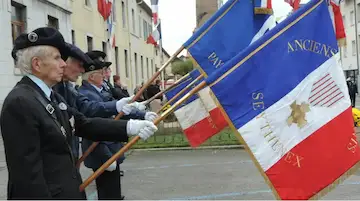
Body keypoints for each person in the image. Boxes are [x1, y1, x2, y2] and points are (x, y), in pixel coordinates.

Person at [1, 27, 158, 199]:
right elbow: (27, 176)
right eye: (57, 58)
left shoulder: (49, 95)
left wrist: (131, 126)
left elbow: (83, 124)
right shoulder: (21, 102)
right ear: (37, 64)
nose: (63, 64)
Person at [52, 43, 146, 161]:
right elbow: (88, 115)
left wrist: (130, 122)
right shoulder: (58, 91)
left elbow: (82, 117)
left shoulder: (67, 88)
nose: (82, 70)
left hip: (71, 157)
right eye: (79, 65)